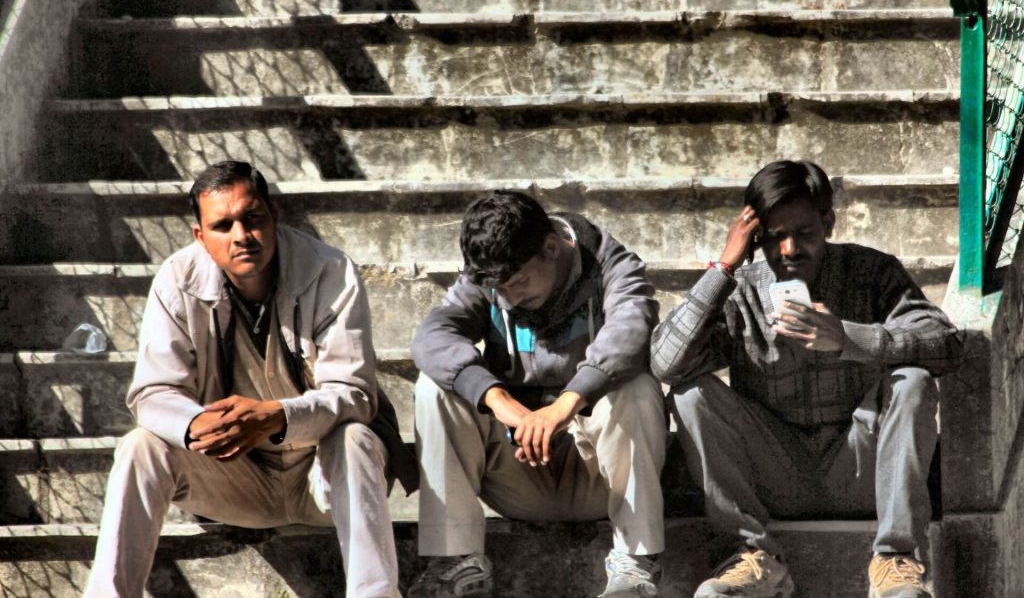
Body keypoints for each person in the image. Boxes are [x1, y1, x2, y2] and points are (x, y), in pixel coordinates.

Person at [84, 161, 416, 598]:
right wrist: (196, 425)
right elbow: (152, 391)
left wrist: (276, 418)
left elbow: (354, 394)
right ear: (201, 237)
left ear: (274, 215)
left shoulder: (330, 271)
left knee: (354, 437)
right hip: (233, 477)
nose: (241, 236)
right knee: (138, 446)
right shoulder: (177, 279)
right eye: (223, 225)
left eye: (252, 218)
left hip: (321, 480)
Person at [651, 160, 963, 598]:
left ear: (829, 222)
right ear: (756, 237)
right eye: (775, 237)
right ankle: (751, 557)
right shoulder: (738, 290)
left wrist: (851, 338)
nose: (790, 249)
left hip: (862, 470)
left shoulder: (872, 272)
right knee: (689, 395)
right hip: (774, 473)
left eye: (804, 233)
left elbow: (947, 345)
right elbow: (666, 365)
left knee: (911, 380)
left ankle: (895, 560)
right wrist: (722, 268)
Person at [410, 190, 666, 597]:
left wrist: (567, 404)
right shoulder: (493, 276)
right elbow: (432, 337)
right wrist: (497, 399)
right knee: (435, 388)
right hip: (517, 472)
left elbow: (632, 331)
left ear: (552, 246)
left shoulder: (611, 264)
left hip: (598, 473)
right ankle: (457, 563)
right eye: (501, 290)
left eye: (519, 282)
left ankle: (635, 565)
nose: (510, 299)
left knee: (635, 385)